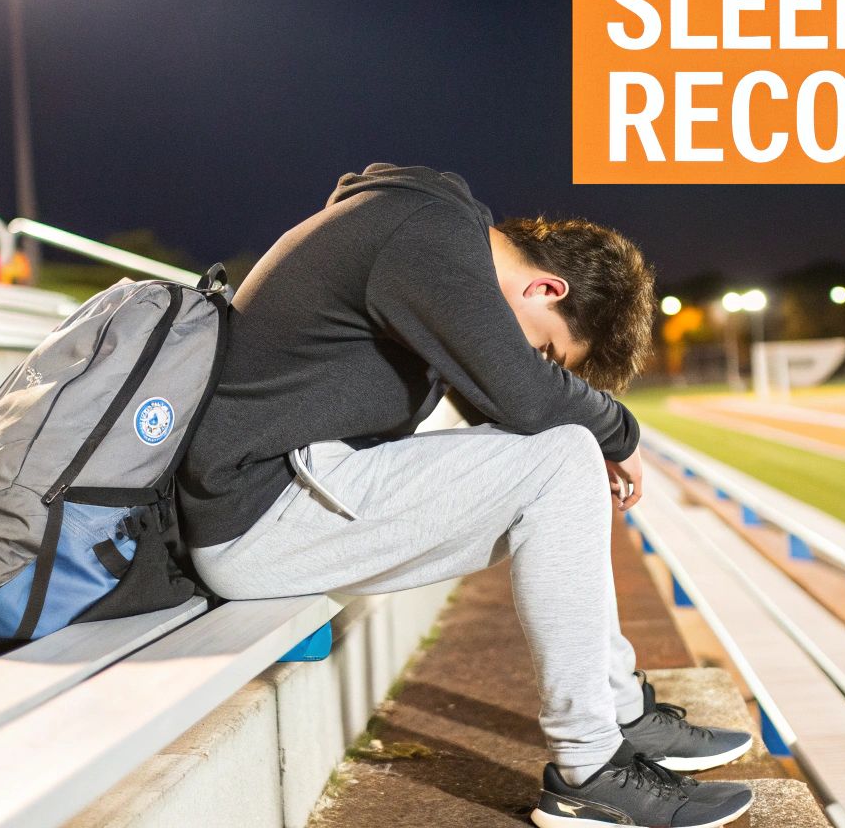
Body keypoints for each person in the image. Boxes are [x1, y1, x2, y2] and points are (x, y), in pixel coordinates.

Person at [182, 164, 755, 828]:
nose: (538, 360)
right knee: (565, 453)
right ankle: (592, 769)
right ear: (545, 287)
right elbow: (524, 395)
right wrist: (619, 432)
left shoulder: (424, 234)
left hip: (293, 493)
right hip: (258, 516)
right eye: (547, 348)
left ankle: (621, 711)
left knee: (561, 455)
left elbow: (511, 405)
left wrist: (572, 427)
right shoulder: (425, 235)